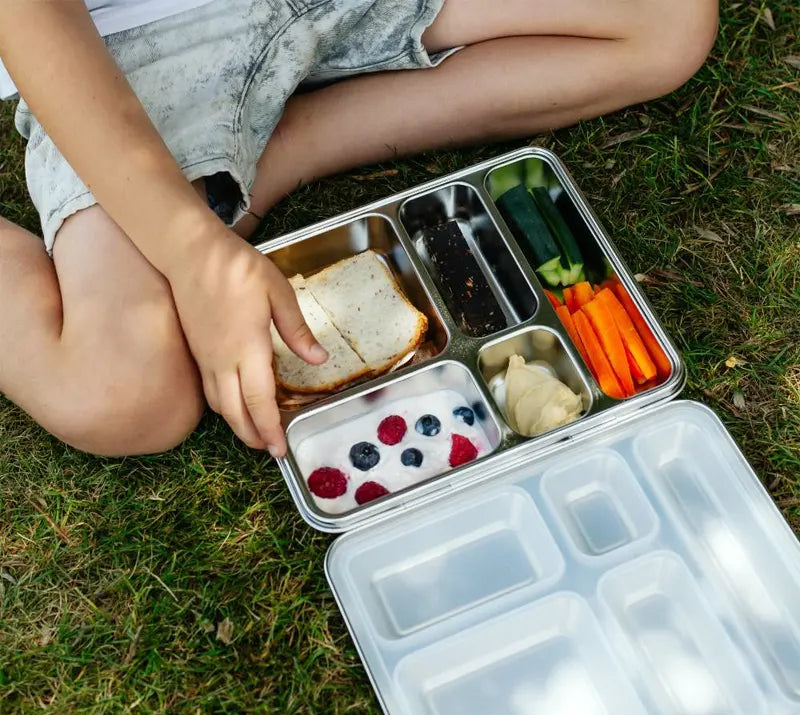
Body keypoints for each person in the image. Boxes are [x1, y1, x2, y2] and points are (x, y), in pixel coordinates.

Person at [0, 0, 718, 458]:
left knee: (669, 22)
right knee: (122, 397)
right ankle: (221, 177)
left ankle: (285, 150)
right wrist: (192, 255)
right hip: (135, 41)